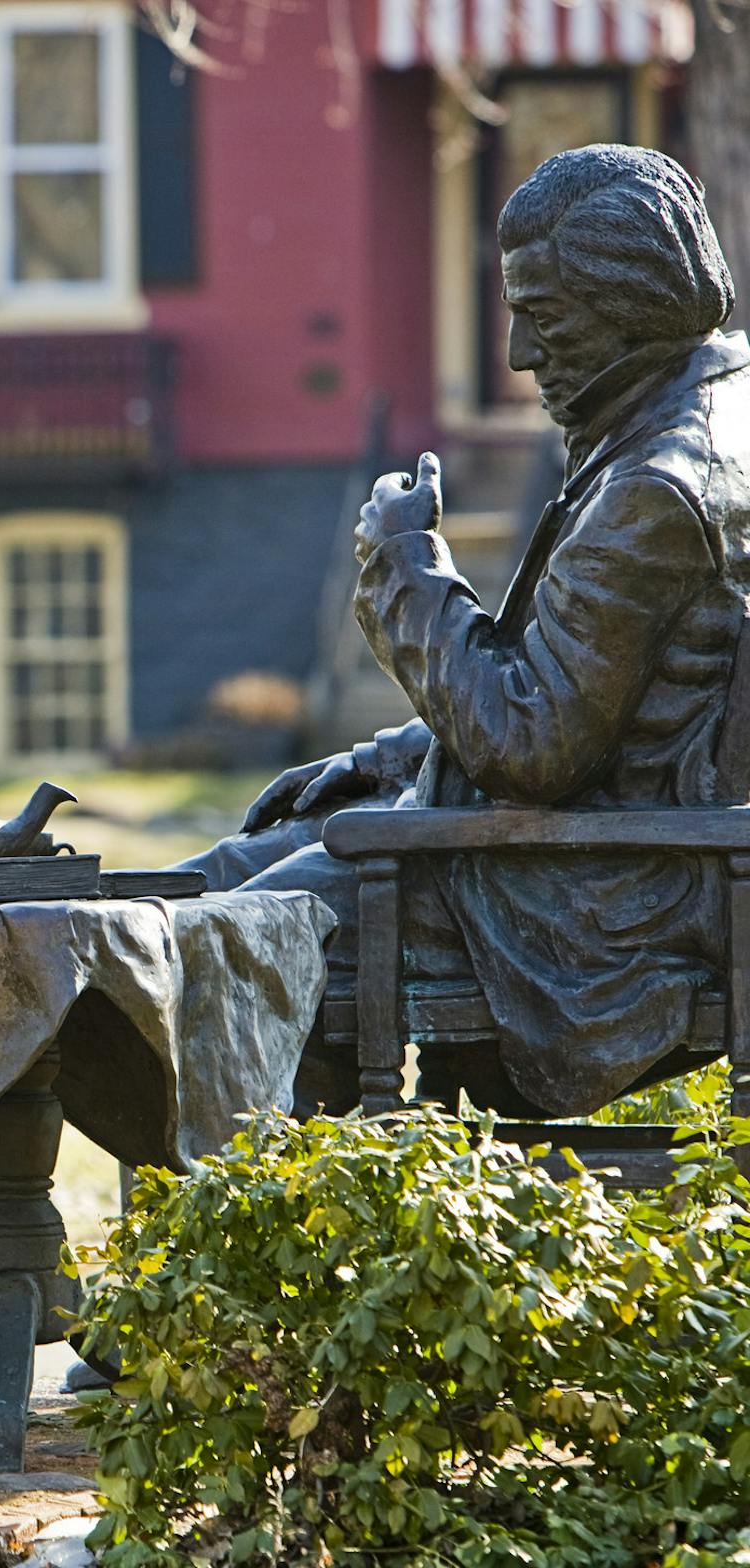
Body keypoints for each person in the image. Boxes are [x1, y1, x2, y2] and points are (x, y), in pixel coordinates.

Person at [182, 145, 750, 1119]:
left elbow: (533, 743)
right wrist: (389, 756)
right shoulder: (700, 408)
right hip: (596, 839)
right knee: (212, 875)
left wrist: (406, 577)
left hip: (603, 895)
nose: (523, 355)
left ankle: (273, 1218)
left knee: (226, 937)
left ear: (630, 306)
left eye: (545, 318)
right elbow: (601, 692)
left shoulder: (657, 486)